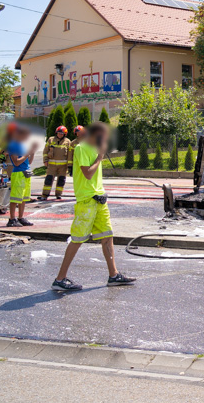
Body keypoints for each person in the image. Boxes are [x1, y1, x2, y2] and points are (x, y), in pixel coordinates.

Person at [52, 122, 135, 291]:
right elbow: (87, 173)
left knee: (107, 235)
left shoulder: (95, 147)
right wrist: (99, 157)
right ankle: (60, 279)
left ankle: (113, 275)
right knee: (77, 239)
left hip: (99, 199)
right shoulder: (82, 148)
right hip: (87, 200)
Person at [6, 123, 38, 227]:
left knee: (24, 198)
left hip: (26, 173)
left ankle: (20, 217)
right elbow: (16, 162)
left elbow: (29, 162)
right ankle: (12, 219)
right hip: (18, 173)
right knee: (15, 198)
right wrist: (27, 154)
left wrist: (32, 152)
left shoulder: (23, 145)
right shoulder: (13, 145)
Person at [39, 125, 72, 200]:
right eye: (59, 133)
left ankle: (58, 194)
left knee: (61, 180)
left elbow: (70, 155)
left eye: (62, 133)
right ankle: (45, 195)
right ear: (56, 133)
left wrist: (69, 165)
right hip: (52, 165)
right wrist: (45, 160)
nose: (60, 134)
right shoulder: (51, 140)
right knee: (49, 179)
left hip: (63, 166)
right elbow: (45, 151)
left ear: (64, 134)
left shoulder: (68, 142)